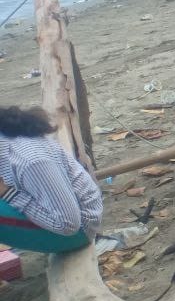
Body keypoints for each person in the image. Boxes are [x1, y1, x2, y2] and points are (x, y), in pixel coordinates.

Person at [0, 106, 101, 254]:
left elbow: (68, 224)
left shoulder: (29, 161)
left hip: (78, 231)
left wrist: (6, 193)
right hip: (60, 217)